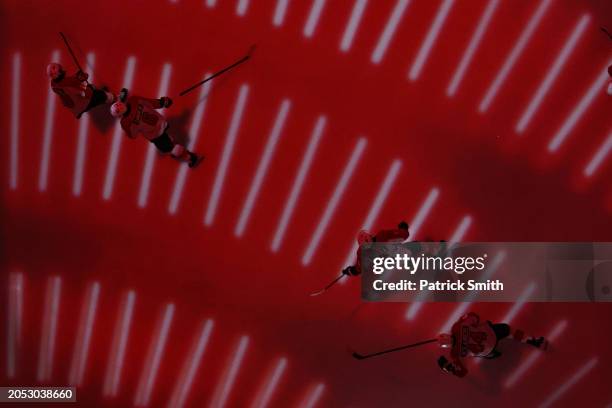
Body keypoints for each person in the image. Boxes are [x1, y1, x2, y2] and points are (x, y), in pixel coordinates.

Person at [110, 89, 203, 168]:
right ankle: (172, 142)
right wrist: (163, 102)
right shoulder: (134, 100)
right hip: (161, 122)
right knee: (167, 139)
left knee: (170, 149)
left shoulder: (126, 123)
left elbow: (133, 135)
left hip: (155, 135)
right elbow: (152, 103)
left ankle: (192, 158)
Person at [437, 312, 548, 377]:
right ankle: (532, 341)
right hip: (490, 337)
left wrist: (449, 368)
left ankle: (530, 341)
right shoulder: (457, 329)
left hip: (488, 348)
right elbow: (473, 317)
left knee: (507, 333)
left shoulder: (454, 352)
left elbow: (462, 372)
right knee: (508, 331)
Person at [47, 62, 115, 119]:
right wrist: (83, 78)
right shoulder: (70, 82)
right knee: (101, 95)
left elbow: (70, 84)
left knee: (91, 88)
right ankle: (111, 98)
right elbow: (84, 91)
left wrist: (77, 78)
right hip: (83, 103)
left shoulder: (53, 85)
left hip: (75, 108)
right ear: (59, 72)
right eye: (58, 68)